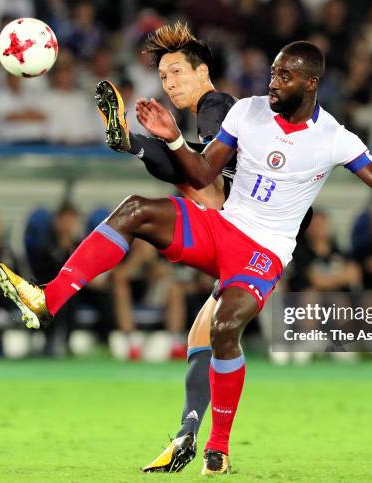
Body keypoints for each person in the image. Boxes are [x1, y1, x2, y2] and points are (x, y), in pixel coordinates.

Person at [0, 41, 372, 475]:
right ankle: (47, 300)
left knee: (222, 329)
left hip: (264, 252)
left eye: (284, 77)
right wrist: (170, 138)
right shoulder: (246, 112)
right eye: (271, 73)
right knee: (134, 211)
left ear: (311, 83)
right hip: (223, 227)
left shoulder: (335, 137)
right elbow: (205, 172)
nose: (273, 83)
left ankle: (216, 449)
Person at [95, 22, 310, 472]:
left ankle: (205, 440)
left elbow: (201, 170)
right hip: (251, 232)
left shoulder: (218, 106)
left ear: (203, 71)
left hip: (249, 235)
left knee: (191, 176)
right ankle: (189, 438)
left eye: (177, 72)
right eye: (165, 76)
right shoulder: (220, 113)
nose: (170, 83)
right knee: (203, 335)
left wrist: (145, 143)